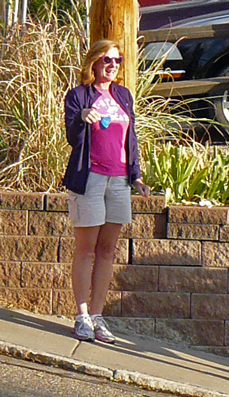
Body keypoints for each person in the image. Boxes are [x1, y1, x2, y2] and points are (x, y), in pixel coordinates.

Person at [63, 39, 151, 344]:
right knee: (86, 249)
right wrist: (80, 118)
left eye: (117, 60)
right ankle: (82, 314)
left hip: (119, 180)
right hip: (90, 178)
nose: (112, 66)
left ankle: (98, 315)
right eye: (106, 60)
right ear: (94, 63)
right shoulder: (78, 95)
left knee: (107, 251)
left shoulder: (123, 95)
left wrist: (136, 176)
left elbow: (132, 138)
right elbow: (72, 139)